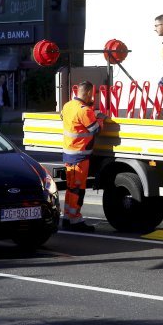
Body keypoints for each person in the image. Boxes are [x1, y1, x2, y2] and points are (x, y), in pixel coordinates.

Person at [60, 81, 107, 232]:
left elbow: (64, 117)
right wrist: (100, 118)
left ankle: (67, 217)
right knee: (77, 190)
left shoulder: (68, 105)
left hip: (70, 154)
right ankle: (75, 220)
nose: (92, 97)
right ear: (87, 93)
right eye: (91, 94)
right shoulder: (84, 111)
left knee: (70, 188)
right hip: (79, 157)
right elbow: (96, 130)